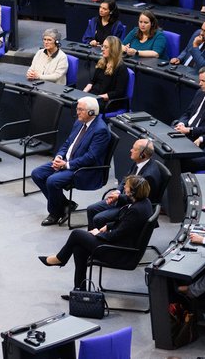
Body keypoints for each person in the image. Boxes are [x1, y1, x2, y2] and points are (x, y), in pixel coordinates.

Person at [38, 175, 153, 289]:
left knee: (76, 234)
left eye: (126, 187)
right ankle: (79, 290)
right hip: (121, 244)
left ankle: (60, 259)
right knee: (78, 247)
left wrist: (98, 233)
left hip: (120, 252)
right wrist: (108, 226)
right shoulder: (143, 202)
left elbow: (117, 234)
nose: (124, 189)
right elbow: (126, 225)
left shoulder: (135, 211)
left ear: (132, 192)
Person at [31, 96, 111, 226]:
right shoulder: (79, 122)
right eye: (77, 109)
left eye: (81, 109)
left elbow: (91, 157)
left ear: (91, 112)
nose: (77, 112)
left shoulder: (100, 130)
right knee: (37, 174)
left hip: (83, 169)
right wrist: (59, 156)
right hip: (67, 162)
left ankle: (55, 213)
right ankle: (66, 205)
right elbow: (68, 143)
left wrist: (66, 165)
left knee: (52, 181)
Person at [86, 139, 162, 229]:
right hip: (123, 198)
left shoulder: (149, 176)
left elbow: (139, 199)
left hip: (131, 206)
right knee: (91, 209)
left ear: (143, 155)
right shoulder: (139, 162)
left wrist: (118, 198)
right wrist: (117, 192)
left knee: (98, 218)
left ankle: (99, 239)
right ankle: (91, 237)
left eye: (134, 149)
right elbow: (126, 179)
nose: (131, 150)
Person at [84, 36, 130, 112]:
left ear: (113, 50)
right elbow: (92, 82)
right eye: (102, 46)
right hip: (94, 97)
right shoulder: (101, 62)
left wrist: (98, 97)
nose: (102, 49)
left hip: (108, 102)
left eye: (106, 47)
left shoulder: (121, 68)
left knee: (84, 107)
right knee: (79, 102)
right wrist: (83, 92)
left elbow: (118, 92)